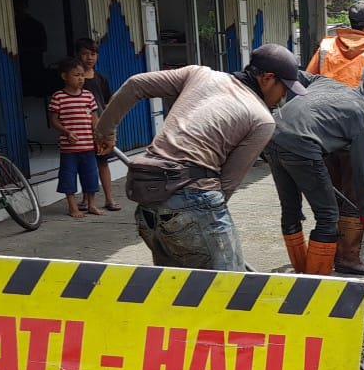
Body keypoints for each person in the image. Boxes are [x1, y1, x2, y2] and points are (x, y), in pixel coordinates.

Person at [94, 43, 306, 271]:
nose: (283, 97)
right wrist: (203, 224)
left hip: (146, 198)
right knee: (227, 290)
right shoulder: (261, 119)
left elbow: (135, 85)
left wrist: (104, 132)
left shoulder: (199, 74)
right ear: (267, 78)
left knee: (178, 287)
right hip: (192, 199)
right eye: (283, 88)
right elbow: (226, 186)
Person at [266, 72, 364, 276]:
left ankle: (304, 270)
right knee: (328, 216)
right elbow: (361, 171)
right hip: (302, 146)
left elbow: (296, 74)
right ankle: (314, 282)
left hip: (272, 135)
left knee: (291, 210)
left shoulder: (326, 83)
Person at [307, 0, 364, 275]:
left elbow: (307, 81)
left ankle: (324, 254)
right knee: (354, 192)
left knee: (328, 192)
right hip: (354, 129)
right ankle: (349, 257)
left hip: (321, 130)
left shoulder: (325, 47)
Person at [49, 58, 102, 219]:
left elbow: (95, 119)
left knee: (91, 176)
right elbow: (53, 120)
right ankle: (73, 207)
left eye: (82, 75)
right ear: (64, 76)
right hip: (69, 148)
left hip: (88, 146)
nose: (80, 79)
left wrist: (99, 138)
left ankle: (91, 204)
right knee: (68, 177)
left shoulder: (88, 96)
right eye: (76, 75)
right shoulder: (58, 97)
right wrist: (66, 132)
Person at [74, 38, 120, 212]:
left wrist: (109, 127)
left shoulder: (101, 79)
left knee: (103, 163)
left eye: (93, 54)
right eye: (84, 54)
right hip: (82, 128)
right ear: (78, 55)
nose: (89, 58)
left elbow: (108, 103)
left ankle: (109, 199)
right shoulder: (76, 80)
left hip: (100, 128)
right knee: (86, 164)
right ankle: (86, 199)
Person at [14, 0, 48, 97]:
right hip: (15, 70)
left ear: (25, 6)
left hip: (33, 69)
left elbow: (43, 47)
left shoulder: (36, 25)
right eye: (16, 5)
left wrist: (23, 50)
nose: (18, 8)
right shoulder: (8, 26)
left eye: (20, 5)